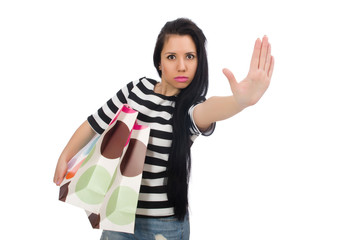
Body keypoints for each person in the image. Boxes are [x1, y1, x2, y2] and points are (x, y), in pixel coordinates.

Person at [53, 18, 274, 240]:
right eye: (171, 57)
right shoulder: (136, 90)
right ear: (159, 61)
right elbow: (94, 124)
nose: (182, 66)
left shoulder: (190, 107)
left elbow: (210, 110)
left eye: (190, 56)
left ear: (199, 62)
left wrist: (240, 102)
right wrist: (65, 155)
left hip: (163, 226)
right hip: (116, 215)